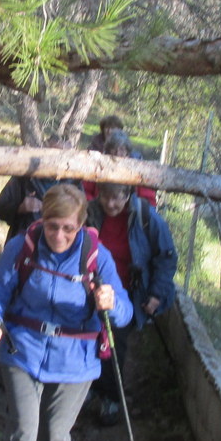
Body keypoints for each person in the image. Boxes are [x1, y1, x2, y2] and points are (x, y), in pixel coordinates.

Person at [0, 184, 133, 441]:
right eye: (52, 226)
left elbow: (124, 313)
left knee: (56, 436)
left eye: (67, 228)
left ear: (80, 225)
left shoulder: (98, 258)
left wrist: (111, 302)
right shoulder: (22, 248)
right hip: (22, 349)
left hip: (76, 360)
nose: (59, 235)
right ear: (42, 220)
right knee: (23, 432)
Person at [85, 182, 177, 426]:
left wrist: (156, 294)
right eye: (105, 197)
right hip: (89, 291)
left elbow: (166, 257)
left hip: (126, 295)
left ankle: (111, 399)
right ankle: (88, 387)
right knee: (88, 338)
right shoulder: (89, 213)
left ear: (128, 195)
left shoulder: (146, 219)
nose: (111, 204)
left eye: (117, 198)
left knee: (115, 344)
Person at [0, 141, 79, 243]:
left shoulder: (74, 182)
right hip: (23, 244)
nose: (55, 162)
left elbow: (82, 218)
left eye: (60, 157)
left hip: (59, 245)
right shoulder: (25, 178)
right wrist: (20, 207)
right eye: (51, 156)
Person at [83, 130, 158, 207]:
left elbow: (149, 201)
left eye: (122, 149)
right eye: (113, 149)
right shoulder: (98, 167)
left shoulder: (138, 171)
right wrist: (95, 205)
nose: (117, 153)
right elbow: (85, 191)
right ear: (108, 151)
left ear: (127, 153)